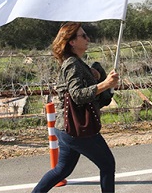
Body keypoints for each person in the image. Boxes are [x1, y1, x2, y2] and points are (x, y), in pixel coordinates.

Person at [32, 22, 119, 193]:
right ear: (72, 42)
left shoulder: (76, 62)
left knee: (62, 170)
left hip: (65, 128)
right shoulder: (72, 64)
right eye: (83, 36)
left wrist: (95, 76)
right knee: (108, 165)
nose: (88, 39)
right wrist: (104, 84)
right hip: (76, 128)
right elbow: (77, 95)